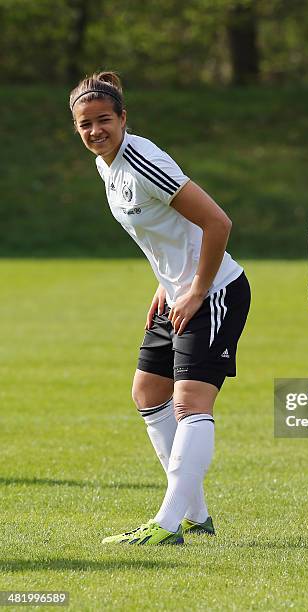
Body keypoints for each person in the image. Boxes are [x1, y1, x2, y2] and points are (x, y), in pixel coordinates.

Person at [69, 72, 250, 545]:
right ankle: (195, 516)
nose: (95, 131)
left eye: (103, 120)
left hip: (215, 292)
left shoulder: (143, 160)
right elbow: (162, 232)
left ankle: (167, 524)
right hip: (177, 293)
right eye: (85, 124)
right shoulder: (106, 165)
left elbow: (217, 222)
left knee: (191, 403)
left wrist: (195, 289)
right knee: (149, 392)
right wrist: (165, 283)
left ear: (123, 118)